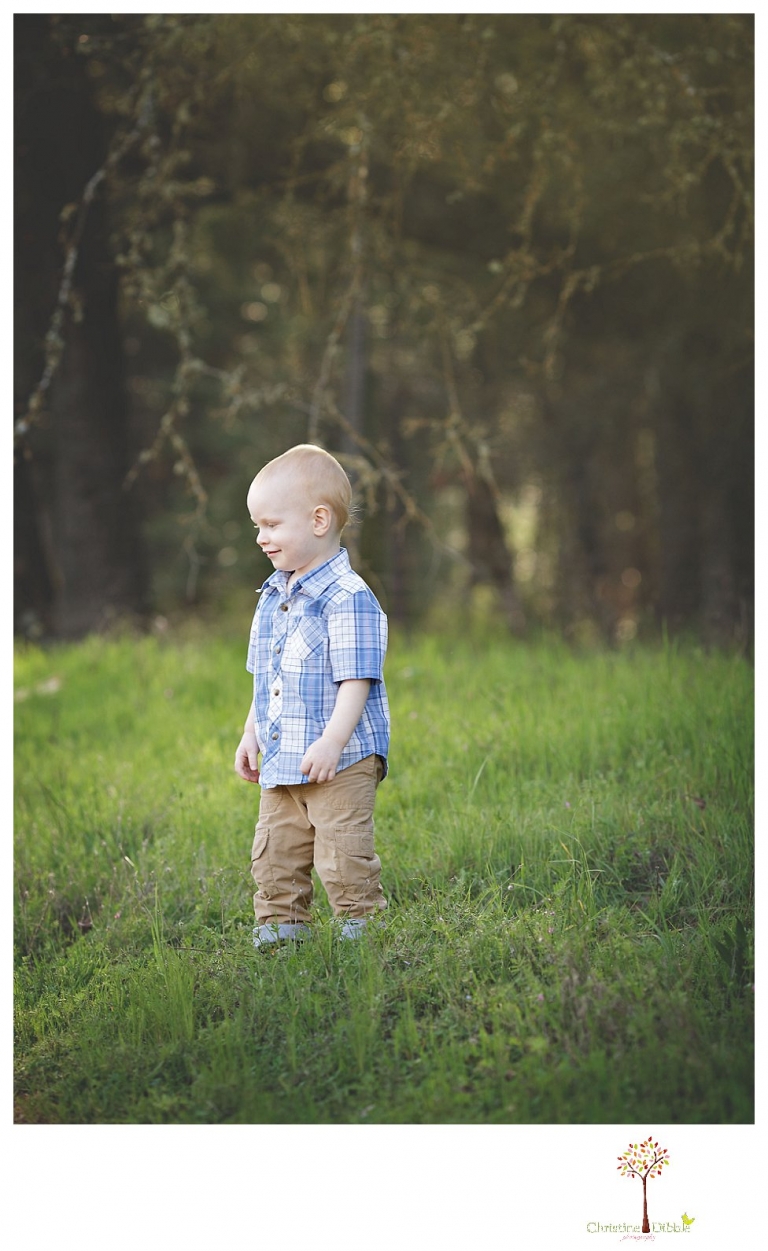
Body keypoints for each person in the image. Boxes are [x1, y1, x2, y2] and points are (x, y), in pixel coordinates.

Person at [233, 444, 390, 949]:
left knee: (342, 852)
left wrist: (332, 742)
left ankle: (359, 930)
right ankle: (282, 932)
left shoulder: (348, 597)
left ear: (319, 520)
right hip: (283, 756)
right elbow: (268, 677)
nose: (261, 537)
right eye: (257, 526)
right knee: (275, 851)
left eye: (271, 525)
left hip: (340, 759)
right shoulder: (272, 597)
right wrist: (251, 732)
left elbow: (357, 680)